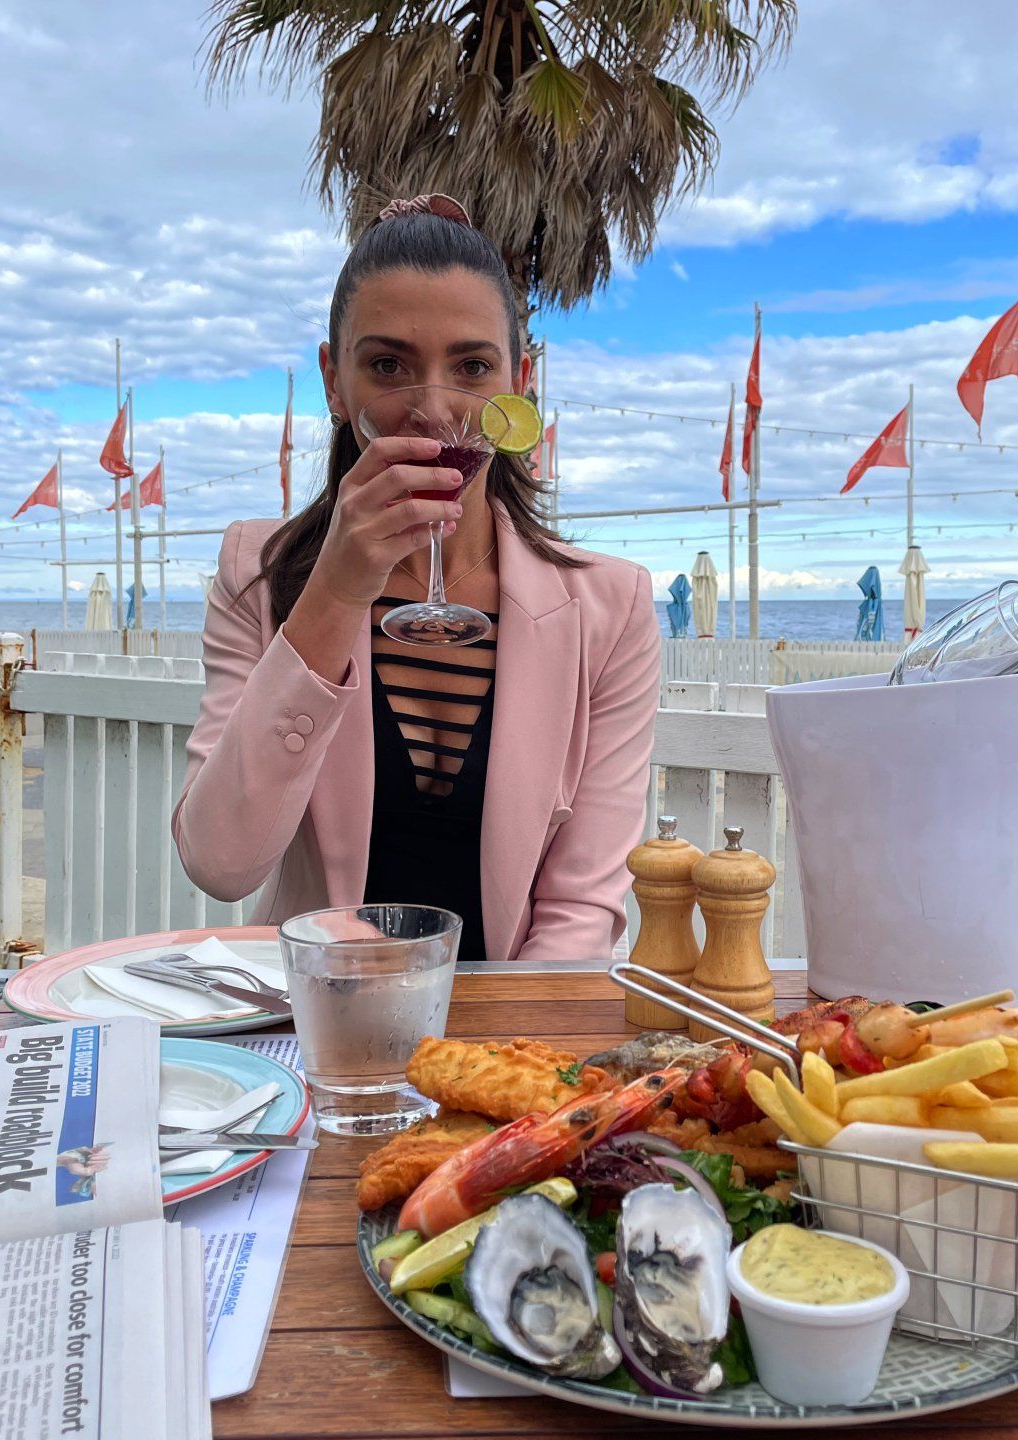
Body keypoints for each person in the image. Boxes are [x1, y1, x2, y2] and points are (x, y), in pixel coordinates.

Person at [173, 195, 660, 964]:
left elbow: (580, 915)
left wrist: (499, 1072)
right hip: (317, 1034)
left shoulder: (611, 607)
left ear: (519, 383)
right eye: (389, 365)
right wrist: (334, 591)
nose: (434, 412)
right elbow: (222, 863)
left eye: (472, 367)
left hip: (511, 1044)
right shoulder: (257, 572)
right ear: (336, 382)